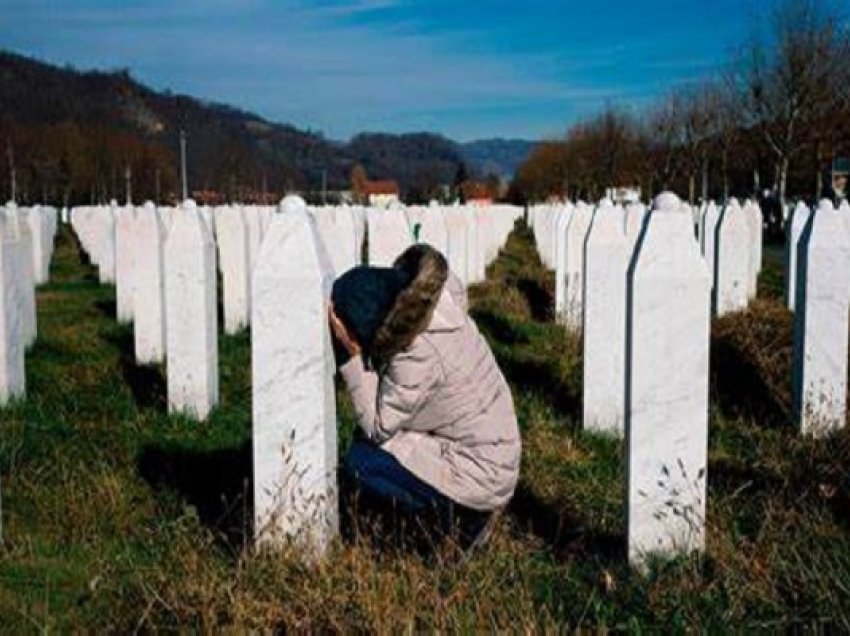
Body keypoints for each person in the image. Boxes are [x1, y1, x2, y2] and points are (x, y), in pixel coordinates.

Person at [329, 244, 521, 550]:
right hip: (494, 451)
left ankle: (462, 527)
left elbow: (378, 428)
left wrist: (352, 358)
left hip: (482, 472)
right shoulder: (438, 302)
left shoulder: (416, 353)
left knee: (362, 461)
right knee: (375, 445)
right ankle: (465, 513)